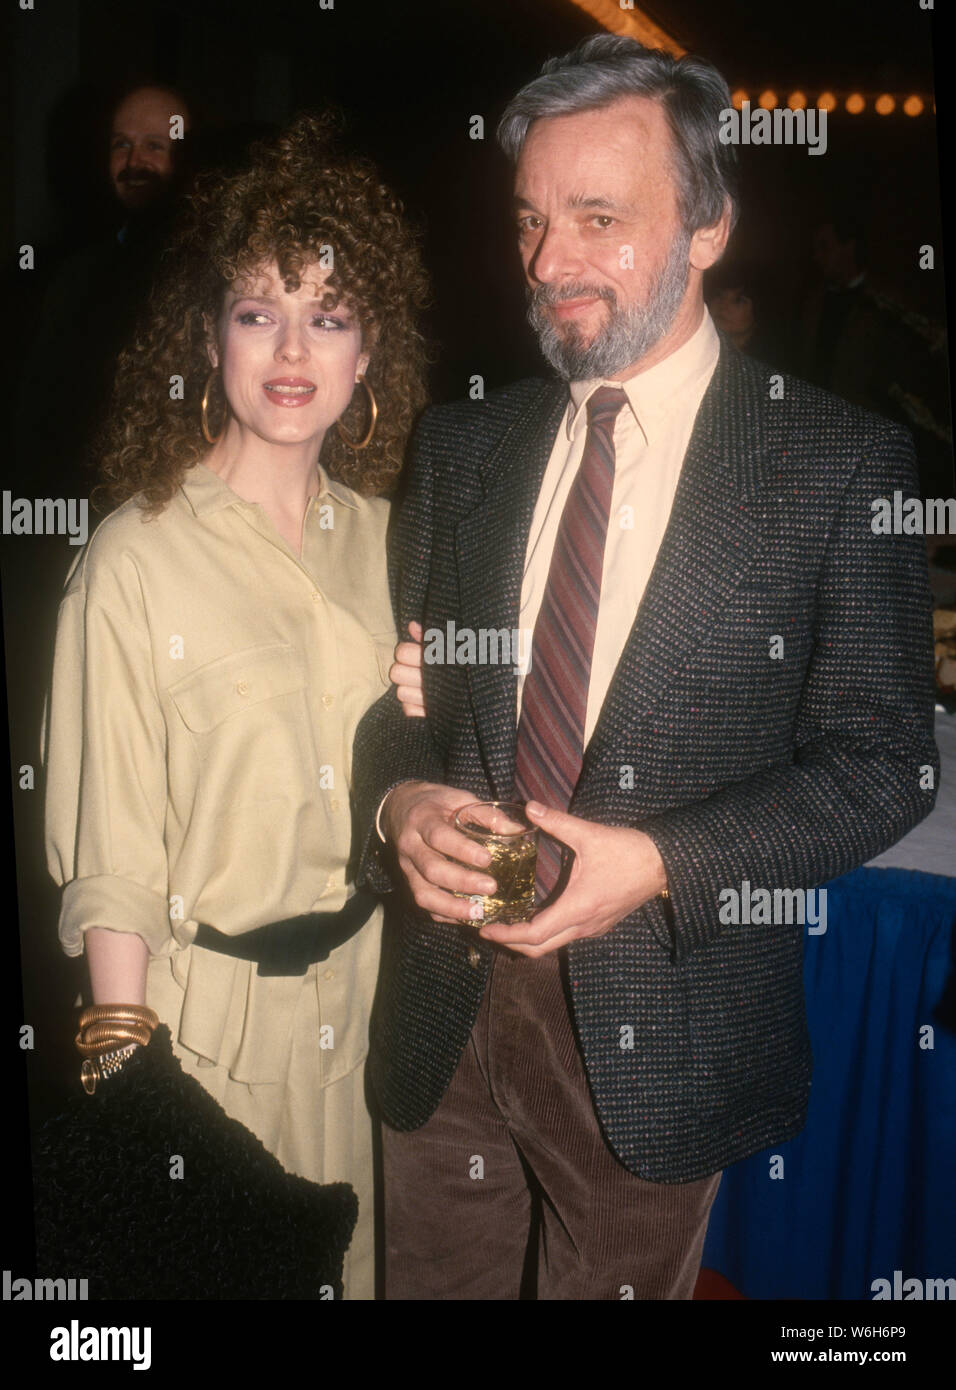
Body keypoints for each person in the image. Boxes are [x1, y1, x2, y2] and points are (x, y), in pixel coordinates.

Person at [351, 35, 939, 1300]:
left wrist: (662, 861)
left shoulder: (837, 466)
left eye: (598, 218)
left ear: (710, 224)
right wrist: (400, 802)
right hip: (439, 1014)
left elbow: (883, 765)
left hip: (658, 1029)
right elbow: (399, 705)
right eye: (530, 220)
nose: (547, 262)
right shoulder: (460, 448)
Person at [42, 111, 428, 1300]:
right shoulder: (131, 559)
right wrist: (130, 1094)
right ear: (209, 338)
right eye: (258, 309)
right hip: (203, 1040)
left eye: (329, 313)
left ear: (369, 353)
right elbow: (107, 852)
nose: (292, 347)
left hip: (374, 1024)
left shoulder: (400, 549)